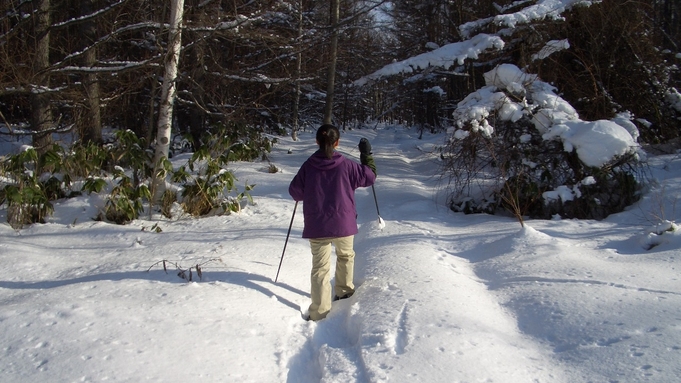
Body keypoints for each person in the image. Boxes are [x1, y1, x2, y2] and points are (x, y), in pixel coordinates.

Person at [288, 124, 377, 321]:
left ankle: (319, 311)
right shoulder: (347, 165)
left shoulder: (308, 166)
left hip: (317, 226)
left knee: (320, 268)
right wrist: (367, 155)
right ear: (337, 142)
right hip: (343, 225)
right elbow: (370, 177)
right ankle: (344, 292)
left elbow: (295, 192)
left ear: (317, 141)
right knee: (345, 257)